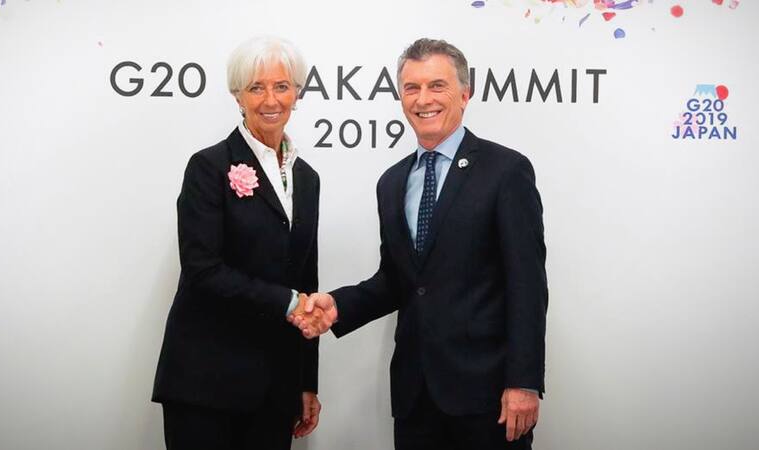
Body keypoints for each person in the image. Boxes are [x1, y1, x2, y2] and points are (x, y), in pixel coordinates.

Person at [291, 38, 548, 450]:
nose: (423, 99)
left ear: (464, 94)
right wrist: (338, 306)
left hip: (489, 397)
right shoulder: (392, 182)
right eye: (412, 88)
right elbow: (398, 280)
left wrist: (524, 382)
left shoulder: (506, 171)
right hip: (415, 398)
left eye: (437, 86)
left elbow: (527, 285)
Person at [152, 36, 323, 450]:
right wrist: (288, 302)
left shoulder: (307, 178)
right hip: (205, 382)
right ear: (237, 96)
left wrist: (306, 381)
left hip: (275, 387)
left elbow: (306, 280)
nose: (271, 99)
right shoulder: (208, 167)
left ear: (297, 93)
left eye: (281, 86)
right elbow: (202, 269)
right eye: (256, 87)